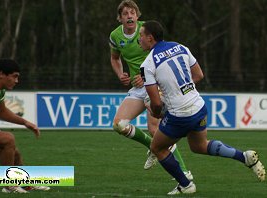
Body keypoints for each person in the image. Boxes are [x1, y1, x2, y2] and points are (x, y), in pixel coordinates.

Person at [139, 20, 266, 195]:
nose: (139, 39)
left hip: (179, 114)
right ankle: (244, 157)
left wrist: (154, 111)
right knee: (199, 146)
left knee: (157, 148)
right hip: (198, 106)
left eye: (141, 36)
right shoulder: (180, 47)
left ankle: (185, 184)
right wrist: (181, 91)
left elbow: (156, 104)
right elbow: (198, 75)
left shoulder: (147, 65)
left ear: (150, 38)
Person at [109, 0, 193, 179]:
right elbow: (115, 58)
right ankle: (152, 148)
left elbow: (161, 53)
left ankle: (184, 172)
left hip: (156, 85)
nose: (129, 16)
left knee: (155, 130)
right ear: (120, 18)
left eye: (132, 12)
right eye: (125, 14)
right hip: (138, 88)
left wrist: (145, 75)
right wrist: (120, 73)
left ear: (137, 15)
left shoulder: (147, 31)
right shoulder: (115, 36)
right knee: (119, 124)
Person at [0, 59, 50, 193]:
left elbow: (1, 112)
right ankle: (9, 186)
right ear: (2, 74)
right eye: (14, 76)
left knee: (13, 153)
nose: (17, 80)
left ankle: (25, 183)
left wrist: (25, 122)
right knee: (8, 139)